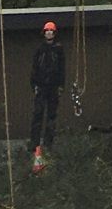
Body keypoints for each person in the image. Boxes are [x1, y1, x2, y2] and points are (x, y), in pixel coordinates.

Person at [28, 18, 65, 156]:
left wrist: (61, 86)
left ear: (54, 33)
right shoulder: (40, 49)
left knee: (51, 116)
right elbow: (34, 68)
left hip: (53, 87)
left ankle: (48, 143)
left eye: (51, 31)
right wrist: (34, 85)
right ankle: (34, 143)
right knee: (37, 114)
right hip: (41, 86)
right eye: (47, 31)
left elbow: (62, 68)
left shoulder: (59, 49)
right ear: (44, 33)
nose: (49, 33)